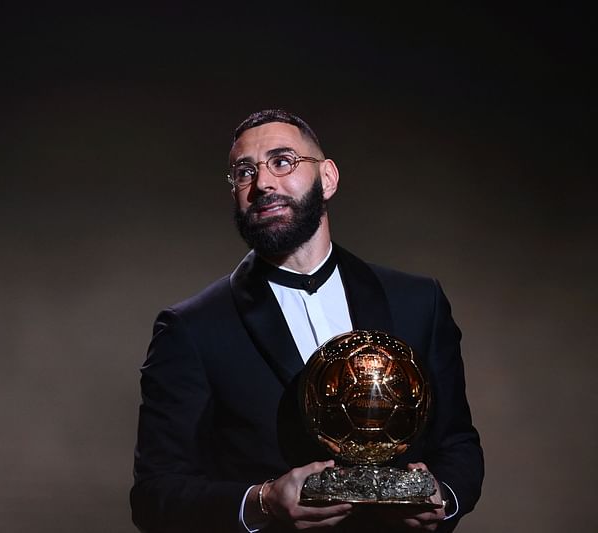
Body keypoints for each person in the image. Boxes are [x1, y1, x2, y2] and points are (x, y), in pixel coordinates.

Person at [130, 109, 483, 532]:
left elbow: (458, 444)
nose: (262, 183)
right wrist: (261, 501)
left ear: (328, 178)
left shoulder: (418, 300)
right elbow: (155, 496)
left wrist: (445, 498)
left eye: (283, 161)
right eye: (244, 172)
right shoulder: (191, 328)